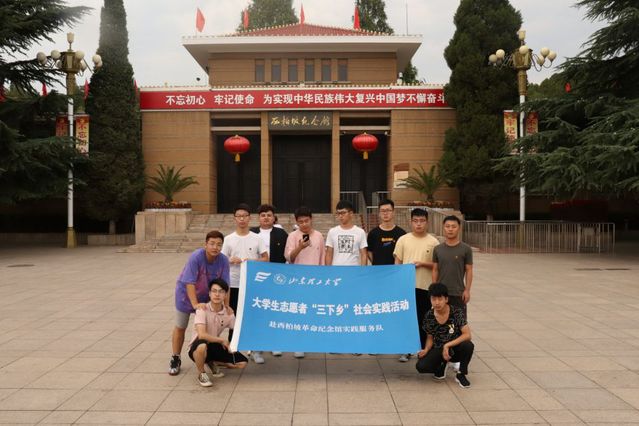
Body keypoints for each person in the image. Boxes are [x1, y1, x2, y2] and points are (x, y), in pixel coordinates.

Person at [169, 230, 230, 376]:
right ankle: (175, 357)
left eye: (219, 244)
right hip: (185, 296)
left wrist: (226, 305)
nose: (215, 247)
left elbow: (225, 285)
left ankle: (207, 357)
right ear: (205, 244)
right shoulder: (196, 256)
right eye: (212, 244)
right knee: (180, 326)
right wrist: (195, 304)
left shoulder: (223, 260)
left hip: (207, 298)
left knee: (209, 329)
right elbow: (189, 282)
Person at [221, 203, 268, 363]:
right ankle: (232, 351)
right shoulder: (228, 239)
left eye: (245, 216)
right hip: (233, 284)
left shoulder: (257, 238)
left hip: (251, 284)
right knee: (233, 317)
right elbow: (221, 260)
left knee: (253, 317)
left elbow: (265, 258)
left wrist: (252, 261)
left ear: (249, 218)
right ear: (234, 218)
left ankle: (255, 350)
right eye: (239, 216)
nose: (242, 219)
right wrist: (230, 260)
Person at [394, 208, 439, 362]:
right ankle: (406, 349)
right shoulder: (403, 240)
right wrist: (397, 283)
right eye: (415, 221)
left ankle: (422, 349)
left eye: (422, 221)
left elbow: (436, 265)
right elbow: (397, 263)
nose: (418, 224)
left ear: (427, 222)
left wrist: (422, 264)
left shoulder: (433, 242)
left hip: (425, 287)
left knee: (423, 318)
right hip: (406, 287)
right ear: (411, 222)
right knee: (406, 319)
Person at [188, 278, 248, 386]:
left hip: (214, 346)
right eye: (214, 291)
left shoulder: (228, 312)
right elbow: (202, 335)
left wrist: (233, 346)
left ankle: (212, 362)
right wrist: (222, 341)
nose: (217, 294)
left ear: (225, 295)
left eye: (221, 292)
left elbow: (238, 330)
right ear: (209, 294)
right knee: (202, 346)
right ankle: (201, 373)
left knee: (242, 363)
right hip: (198, 346)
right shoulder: (202, 309)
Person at [284, 206, 326, 358]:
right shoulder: (292, 236)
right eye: (300, 222)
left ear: (311, 219)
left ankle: (312, 340)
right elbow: (289, 257)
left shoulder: (319, 236)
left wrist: (322, 278)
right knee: (299, 312)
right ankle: (298, 344)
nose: (304, 224)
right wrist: (300, 247)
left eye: (306, 221)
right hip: (298, 280)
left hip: (315, 280)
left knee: (313, 310)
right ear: (296, 222)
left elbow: (322, 258)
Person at [416, 283, 474, 388]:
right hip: (439, 348)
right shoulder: (429, 315)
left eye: (440, 299)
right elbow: (430, 337)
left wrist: (447, 345)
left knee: (468, 345)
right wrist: (426, 349)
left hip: (455, 348)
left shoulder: (456, 312)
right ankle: (442, 365)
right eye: (434, 299)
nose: (437, 302)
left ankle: (461, 374)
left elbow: (467, 335)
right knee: (421, 366)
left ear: (446, 299)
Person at [251, 204, 288, 357]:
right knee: (258, 311)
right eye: (263, 215)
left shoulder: (281, 233)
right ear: (258, 218)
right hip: (256, 278)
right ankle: (256, 347)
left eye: (269, 215)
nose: (266, 218)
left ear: (274, 218)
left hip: (276, 278)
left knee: (274, 311)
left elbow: (287, 255)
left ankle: (274, 343)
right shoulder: (252, 233)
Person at [432, 215, 473, 317]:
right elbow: (435, 269)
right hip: (441, 294)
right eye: (447, 226)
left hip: (458, 293)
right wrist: (434, 290)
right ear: (443, 228)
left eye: (453, 226)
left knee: (459, 322)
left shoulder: (466, 249)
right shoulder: (437, 249)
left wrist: (467, 290)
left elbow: (469, 270)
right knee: (441, 322)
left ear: (459, 228)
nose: (450, 229)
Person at [325, 200, 368, 266]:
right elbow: (329, 253)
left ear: (351, 213)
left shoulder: (360, 232)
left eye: (343, 213)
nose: (340, 216)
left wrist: (363, 270)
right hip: (336, 269)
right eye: (338, 213)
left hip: (354, 269)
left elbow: (364, 254)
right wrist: (328, 270)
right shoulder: (332, 232)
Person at [367, 199, 406, 265]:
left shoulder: (401, 233)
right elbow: (369, 252)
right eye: (382, 211)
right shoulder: (372, 234)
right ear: (379, 213)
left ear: (393, 212)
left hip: (396, 269)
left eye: (388, 210)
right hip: (378, 269)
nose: (385, 213)